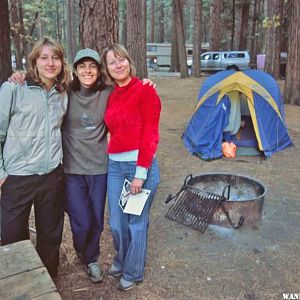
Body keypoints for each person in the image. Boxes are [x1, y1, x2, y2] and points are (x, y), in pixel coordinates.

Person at [0, 37, 71, 278]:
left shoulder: (62, 94)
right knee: (11, 234)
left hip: (52, 175)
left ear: (61, 62)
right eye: (44, 57)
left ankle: (47, 280)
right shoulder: (14, 88)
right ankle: (19, 282)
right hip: (18, 176)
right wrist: (1, 174)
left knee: (50, 235)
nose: (50, 63)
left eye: (56, 57)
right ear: (34, 61)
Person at [101, 44, 161, 291]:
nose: (118, 65)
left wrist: (140, 173)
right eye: (112, 62)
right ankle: (121, 259)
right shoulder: (111, 95)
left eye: (121, 59)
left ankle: (133, 271)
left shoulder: (145, 91)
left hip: (140, 167)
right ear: (107, 69)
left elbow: (150, 133)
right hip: (115, 166)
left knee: (136, 223)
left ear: (128, 61)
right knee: (116, 222)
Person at [62, 48, 112, 283]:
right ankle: (82, 249)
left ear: (99, 70)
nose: (87, 70)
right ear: (74, 70)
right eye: (82, 66)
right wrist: (18, 77)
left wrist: (146, 83)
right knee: (80, 221)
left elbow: (130, 91)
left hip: (99, 169)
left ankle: (92, 259)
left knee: (96, 220)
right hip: (72, 170)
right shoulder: (64, 93)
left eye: (92, 66)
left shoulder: (107, 94)